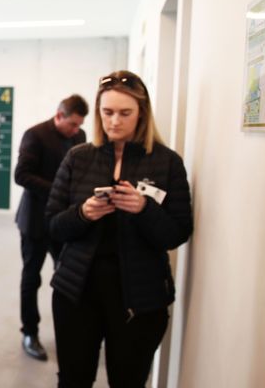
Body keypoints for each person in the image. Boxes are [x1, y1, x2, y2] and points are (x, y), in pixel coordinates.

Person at [45, 70, 193, 387]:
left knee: (128, 380)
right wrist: (83, 213)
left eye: (125, 113)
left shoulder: (167, 162)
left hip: (139, 299)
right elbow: (53, 225)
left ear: (142, 114)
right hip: (76, 293)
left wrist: (144, 209)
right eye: (107, 112)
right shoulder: (78, 157)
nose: (114, 121)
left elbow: (178, 233)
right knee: (73, 379)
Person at [14, 94, 88, 361]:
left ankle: (69, 329)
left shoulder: (80, 138)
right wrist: (58, 192)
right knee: (31, 278)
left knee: (68, 277)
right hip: (35, 221)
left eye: (79, 125)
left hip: (64, 222)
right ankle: (29, 333)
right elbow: (21, 174)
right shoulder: (35, 135)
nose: (76, 130)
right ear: (59, 116)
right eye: (72, 124)